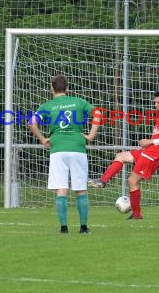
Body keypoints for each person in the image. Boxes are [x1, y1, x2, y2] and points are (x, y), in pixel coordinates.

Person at [88, 89, 159, 220]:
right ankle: (102, 181)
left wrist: (150, 141)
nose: (156, 105)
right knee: (121, 156)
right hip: (149, 151)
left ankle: (137, 215)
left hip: (154, 155)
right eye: (155, 103)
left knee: (132, 181)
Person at [28, 74, 101, 234]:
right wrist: (90, 135)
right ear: (67, 88)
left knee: (61, 189)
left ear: (51, 88)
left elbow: (31, 122)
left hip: (57, 149)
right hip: (77, 148)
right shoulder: (78, 102)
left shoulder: (48, 106)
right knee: (80, 188)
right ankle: (83, 227)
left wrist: (42, 139)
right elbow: (98, 114)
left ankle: (64, 228)